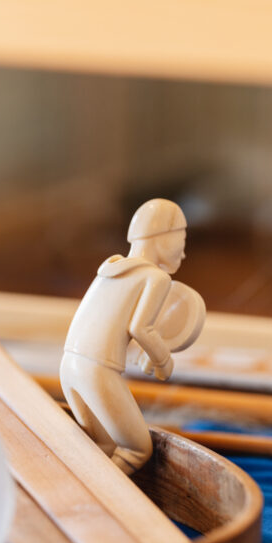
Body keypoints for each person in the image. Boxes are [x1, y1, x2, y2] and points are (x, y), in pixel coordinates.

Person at [60, 199, 192, 474]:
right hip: (97, 372)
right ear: (162, 237)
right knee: (136, 449)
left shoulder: (111, 268)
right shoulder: (155, 278)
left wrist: (147, 353)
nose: (184, 252)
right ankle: (105, 501)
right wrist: (163, 360)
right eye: (182, 238)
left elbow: (114, 321)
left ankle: (84, 497)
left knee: (103, 446)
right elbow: (140, 328)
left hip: (69, 366)